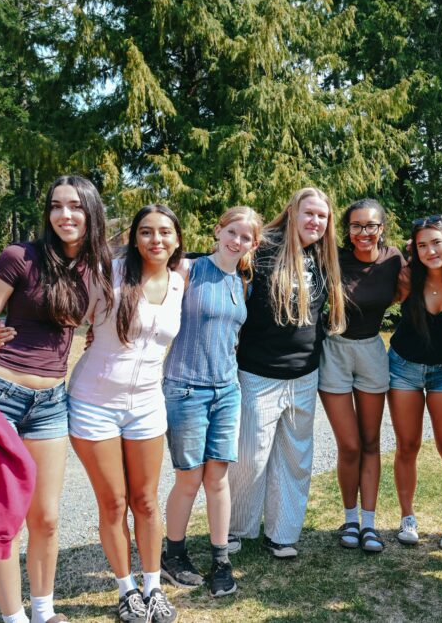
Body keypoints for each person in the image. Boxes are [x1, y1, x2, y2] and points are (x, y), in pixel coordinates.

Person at [0, 175, 112, 623]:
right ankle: (14, 618)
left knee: (45, 518)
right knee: (3, 519)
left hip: (51, 405)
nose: (65, 215)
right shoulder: (19, 257)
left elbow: (101, 317)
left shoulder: (97, 267)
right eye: (56, 206)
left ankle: (44, 612)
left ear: (91, 212)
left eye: (75, 206)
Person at [64, 205, 182, 623]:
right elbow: (63, 312)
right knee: (113, 503)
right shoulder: (109, 274)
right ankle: (126, 588)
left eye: (165, 232)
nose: (156, 239)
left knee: (145, 500)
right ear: (134, 238)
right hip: (94, 404)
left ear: (177, 239)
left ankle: (153, 587)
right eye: (146, 232)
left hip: (147, 406)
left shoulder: (180, 281)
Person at [226, 187, 346, 559]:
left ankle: (282, 534)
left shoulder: (323, 257)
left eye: (322, 216)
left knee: (295, 458)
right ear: (292, 212)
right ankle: (236, 528)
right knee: (250, 457)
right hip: (258, 373)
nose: (315, 221)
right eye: (309, 213)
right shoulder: (260, 249)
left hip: (304, 374)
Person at [159, 206, 262, 598]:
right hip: (185, 389)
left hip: (226, 390)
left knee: (218, 479)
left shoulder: (243, 283)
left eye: (246, 237)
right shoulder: (188, 269)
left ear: (253, 244)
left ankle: (221, 561)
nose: (237, 241)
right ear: (218, 231)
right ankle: (174, 555)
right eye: (232, 232)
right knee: (189, 479)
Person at [319, 199, 404, 553]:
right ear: (347, 230)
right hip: (335, 350)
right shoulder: (333, 258)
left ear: (382, 228)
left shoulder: (394, 259)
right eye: (356, 226)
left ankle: (369, 524)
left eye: (370, 225)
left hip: (371, 351)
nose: (363, 232)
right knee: (350, 445)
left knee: (371, 442)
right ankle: (350, 519)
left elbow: (417, 282)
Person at [388, 214, 442, 551]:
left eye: (436, 242)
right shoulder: (407, 277)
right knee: (407, 445)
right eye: (422, 245)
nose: (430, 251)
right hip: (404, 368)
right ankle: (407, 518)